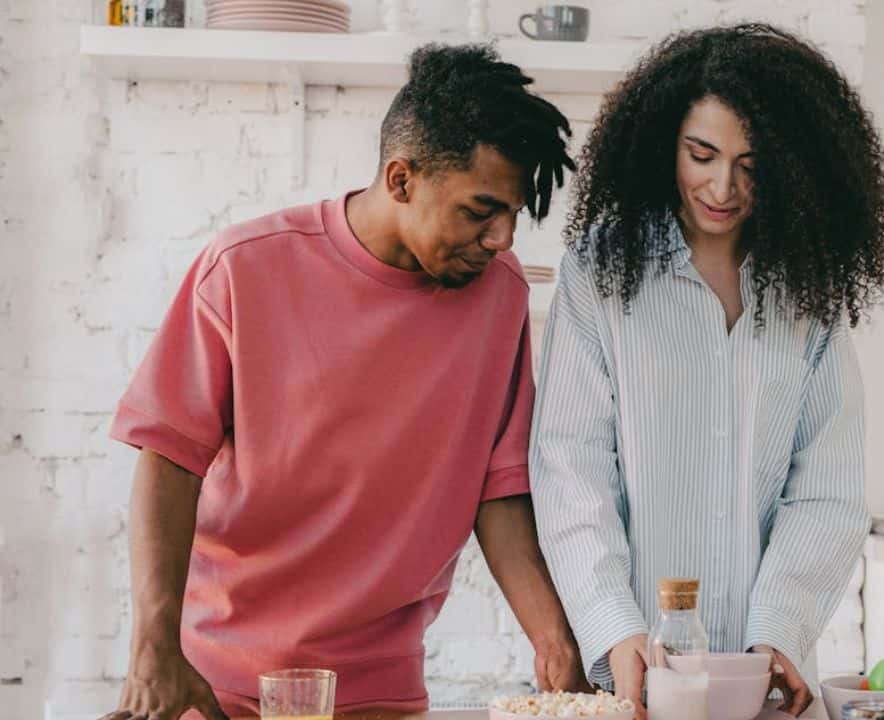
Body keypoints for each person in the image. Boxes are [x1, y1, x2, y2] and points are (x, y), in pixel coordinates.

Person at [101, 44, 586, 720]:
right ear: (400, 180)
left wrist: (556, 645)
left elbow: (497, 492)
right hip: (220, 687)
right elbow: (168, 456)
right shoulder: (244, 268)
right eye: (479, 211)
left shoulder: (499, 297)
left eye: (512, 214)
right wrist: (152, 648)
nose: (502, 238)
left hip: (381, 693)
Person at [530, 24, 884, 718]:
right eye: (701, 154)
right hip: (636, 677)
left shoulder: (808, 292)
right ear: (665, 142)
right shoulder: (601, 274)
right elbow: (570, 466)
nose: (722, 186)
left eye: (752, 165)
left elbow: (827, 486)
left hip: (766, 680)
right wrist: (615, 630)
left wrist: (778, 632)